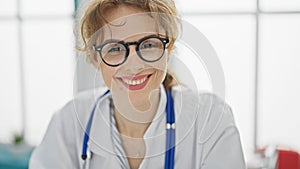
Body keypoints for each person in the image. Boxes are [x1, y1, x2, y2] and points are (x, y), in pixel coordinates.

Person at [29, 0, 246, 168]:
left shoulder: (210, 119)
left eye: (148, 44)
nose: (134, 64)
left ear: (168, 48)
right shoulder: (68, 123)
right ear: (95, 59)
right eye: (114, 48)